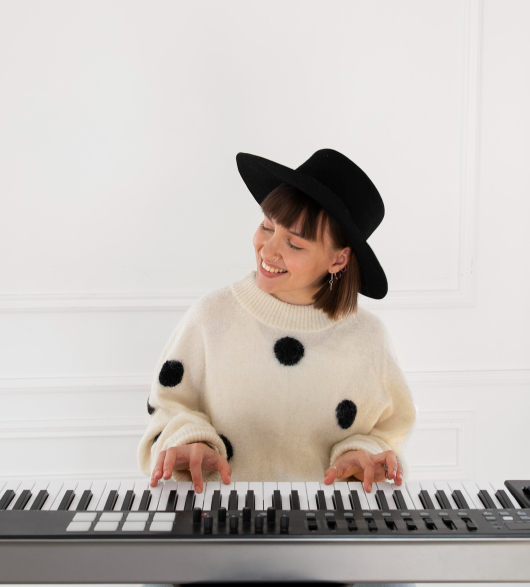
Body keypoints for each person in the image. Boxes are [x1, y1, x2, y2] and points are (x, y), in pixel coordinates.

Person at [139, 149, 416, 587]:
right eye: (267, 226)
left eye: (295, 242)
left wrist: (360, 453)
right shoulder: (211, 317)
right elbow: (167, 405)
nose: (268, 248)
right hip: (216, 541)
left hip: (327, 549)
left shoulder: (368, 339)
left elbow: (386, 429)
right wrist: (188, 439)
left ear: (339, 259)